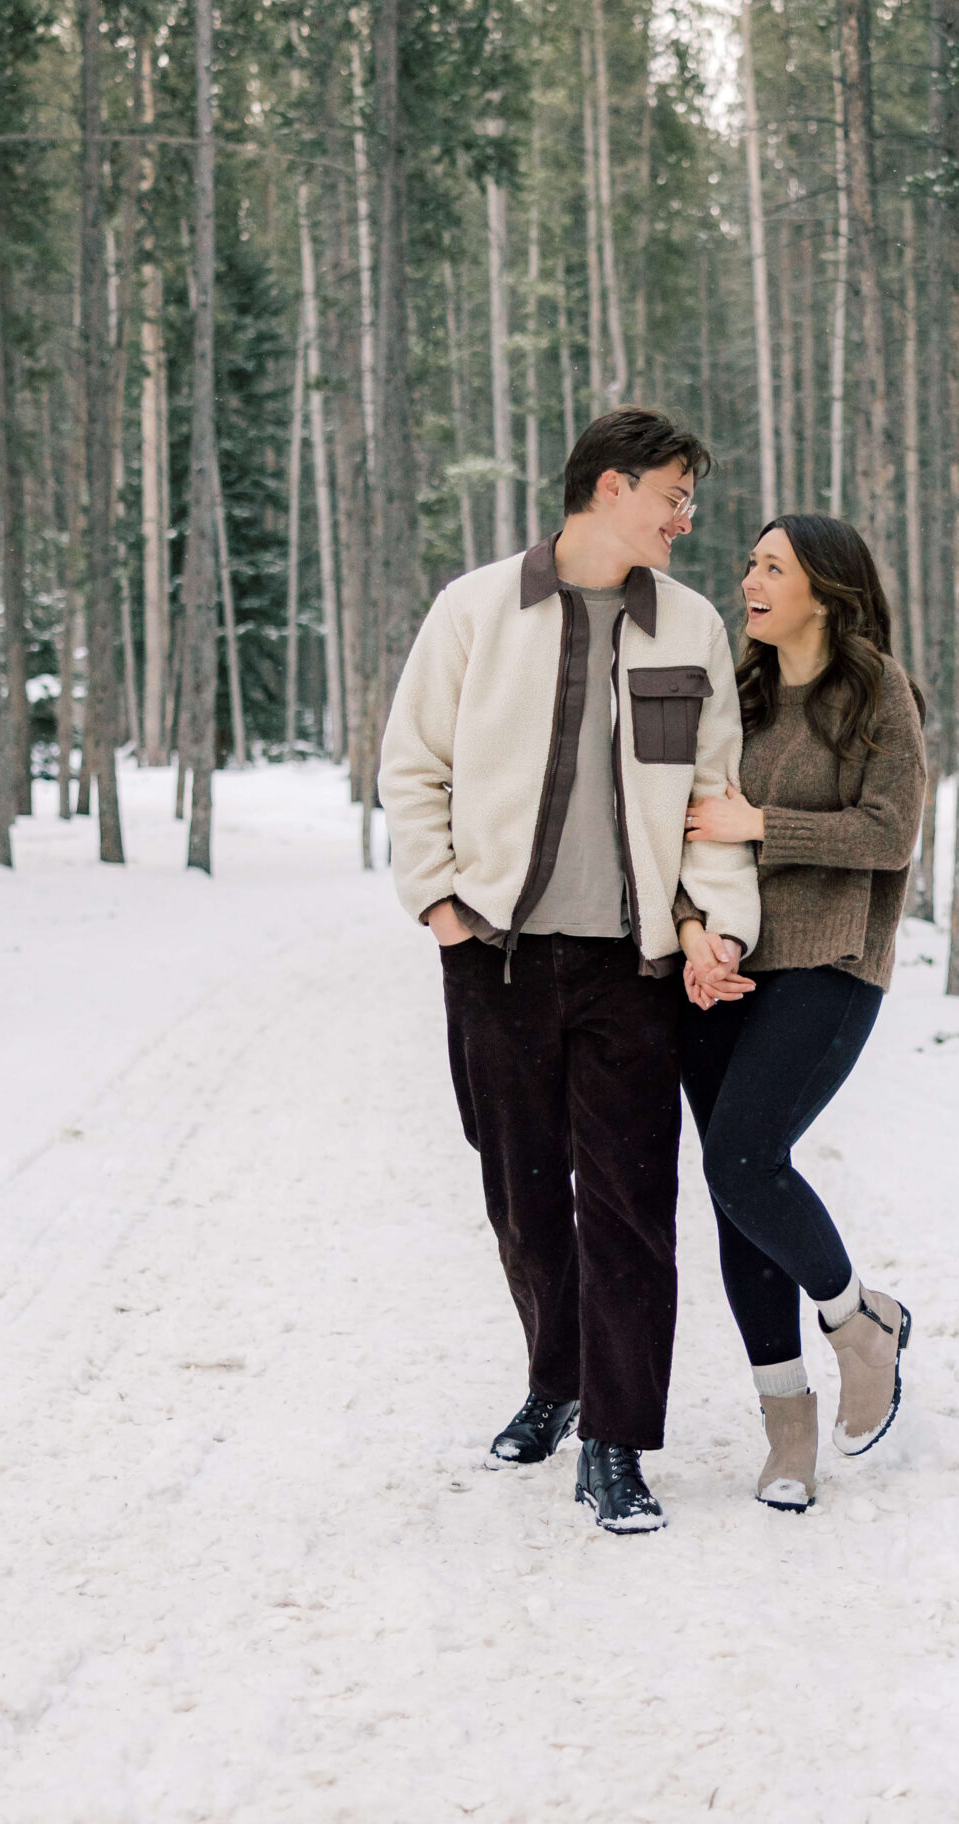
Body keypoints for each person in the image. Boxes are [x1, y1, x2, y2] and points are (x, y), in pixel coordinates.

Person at [381, 408, 760, 1535]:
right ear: (609, 486)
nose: (686, 520)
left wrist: (716, 925)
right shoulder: (475, 609)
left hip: (632, 970)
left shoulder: (689, 626)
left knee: (633, 1205)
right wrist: (442, 907)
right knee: (523, 1192)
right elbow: (413, 766)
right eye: (673, 496)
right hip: (495, 956)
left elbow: (712, 797)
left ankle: (617, 1440)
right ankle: (558, 1378)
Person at [678, 513, 926, 1514]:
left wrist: (761, 824)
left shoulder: (878, 693)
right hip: (723, 962)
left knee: (743, 1159)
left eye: (772, 566)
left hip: (830, 957)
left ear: (825, 591)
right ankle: (787, 1424)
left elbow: (889, 832)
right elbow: (687, 828)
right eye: (750, 563)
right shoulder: (732, 698)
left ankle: (856, 1322)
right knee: (735, 1191)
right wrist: (693, 930)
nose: (749, 579)